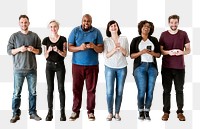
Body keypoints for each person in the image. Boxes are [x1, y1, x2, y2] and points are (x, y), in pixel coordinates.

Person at [68, 14, 103, 121]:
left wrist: (94, 46)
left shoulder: (96, 32)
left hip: (92, 65)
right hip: (77, 65)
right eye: (84, 21)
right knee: (76, 89)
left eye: (88, 21)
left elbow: (101, 50)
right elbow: (69, 48)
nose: (86, 23)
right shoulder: (75, 31)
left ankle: (90, 111)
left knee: (91, 90)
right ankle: (75, 111)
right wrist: (80, 47)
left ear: (91, 22)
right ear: (82, 21)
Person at [7, 15, 42, 123]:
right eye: (22, 22)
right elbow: (9, 51)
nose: (24, 24)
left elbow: (40, 51)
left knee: (33, 92)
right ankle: (15, 113)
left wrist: (33, 49)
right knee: (16, 93)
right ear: (19, 23)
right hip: (18, 69)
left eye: (25, 22)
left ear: (29, 23)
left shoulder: (34, 36)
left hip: (32, 69)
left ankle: (32, 113)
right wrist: (19, 49)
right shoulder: (14, 36)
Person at [159, 14, 191, 121]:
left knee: (179, 90)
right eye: (172, 22)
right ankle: (166, 112)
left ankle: (180, 112)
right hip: (166, 67)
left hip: (179, 67)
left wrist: (182, 52)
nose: (173, 24)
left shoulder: (183, 34)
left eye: (175, 22)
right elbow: (161, 51)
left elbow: (188, 49)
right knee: (166, 90)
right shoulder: (163, 35)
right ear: (169, 23)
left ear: (178, 22)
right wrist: (169, 52)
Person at [130, 20, 161, 120]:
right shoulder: (135, 40)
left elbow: (159, 54)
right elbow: (131, 55)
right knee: (141, 91)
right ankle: (140, 111)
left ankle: (147, 111)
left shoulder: (154, 40)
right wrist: (141, 52)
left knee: (150, 91)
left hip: (152, 67)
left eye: (148, 27)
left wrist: (152, 53)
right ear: (140, 28)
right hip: (140, 67)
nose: (146, 28)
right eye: (144, 26)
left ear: (150, 29)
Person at [103, 20, 129, 121]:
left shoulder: (124, 39)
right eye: (111, 26)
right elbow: (106, 55)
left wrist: (121, 48)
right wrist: (114, 49)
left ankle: (117, 113)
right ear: (109, 29)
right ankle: (110, 112)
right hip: (109, 67)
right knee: (109, 91)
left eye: (115, 25)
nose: (113, 27)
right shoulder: (106, 40)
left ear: (117, 27)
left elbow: (127, 54)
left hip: (122, 68)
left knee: (119, 91)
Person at [42, 20, 67, 121]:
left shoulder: (63, 39)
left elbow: (65, 54)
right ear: (49, 28)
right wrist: (48, 50)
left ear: (58, 27)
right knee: (50, 89)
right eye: (51, 26)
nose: (53, 28)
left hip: (60, 65)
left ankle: (62, 112)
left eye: (55, 26)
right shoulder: (45, 40)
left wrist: (58, 50)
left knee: (61, 89)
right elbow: (45, 56)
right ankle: (50, 112)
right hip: (49, 66)